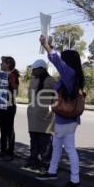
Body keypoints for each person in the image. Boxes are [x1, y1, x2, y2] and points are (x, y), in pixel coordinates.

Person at [36, 35, 85, 187]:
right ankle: (53, 172)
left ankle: (74, 179)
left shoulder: (69, 73)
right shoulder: (73, 75)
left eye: (65, 60)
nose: (62, 62)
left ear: (68, 62)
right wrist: (50, 45)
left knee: (68, 149)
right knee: (59, 146)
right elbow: (58, 59)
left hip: (65, 120)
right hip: (67, 119)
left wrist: (46, 45)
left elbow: (56, 59)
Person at [25, 59, 56, 172]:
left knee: (45, 142)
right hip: (32, 115)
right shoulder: (33, 80)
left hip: (45, 117)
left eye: (35, 69)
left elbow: (59, 94)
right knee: (34, 140)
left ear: (42, 69)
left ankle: (46, 163)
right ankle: (33, 160)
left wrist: (52, 105)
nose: (32, 71)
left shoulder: (50, 80)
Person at [0, 56, 20, 161]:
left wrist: (9, 80)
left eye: (2, 62)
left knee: (9, 129)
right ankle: (3, 150)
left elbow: (15, 89)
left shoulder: (13, 75)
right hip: (0, 104)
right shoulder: (0, 75)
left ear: (8, 64)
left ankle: (10, 152)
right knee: (2, 129)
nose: (0, 64)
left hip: (9, 105)